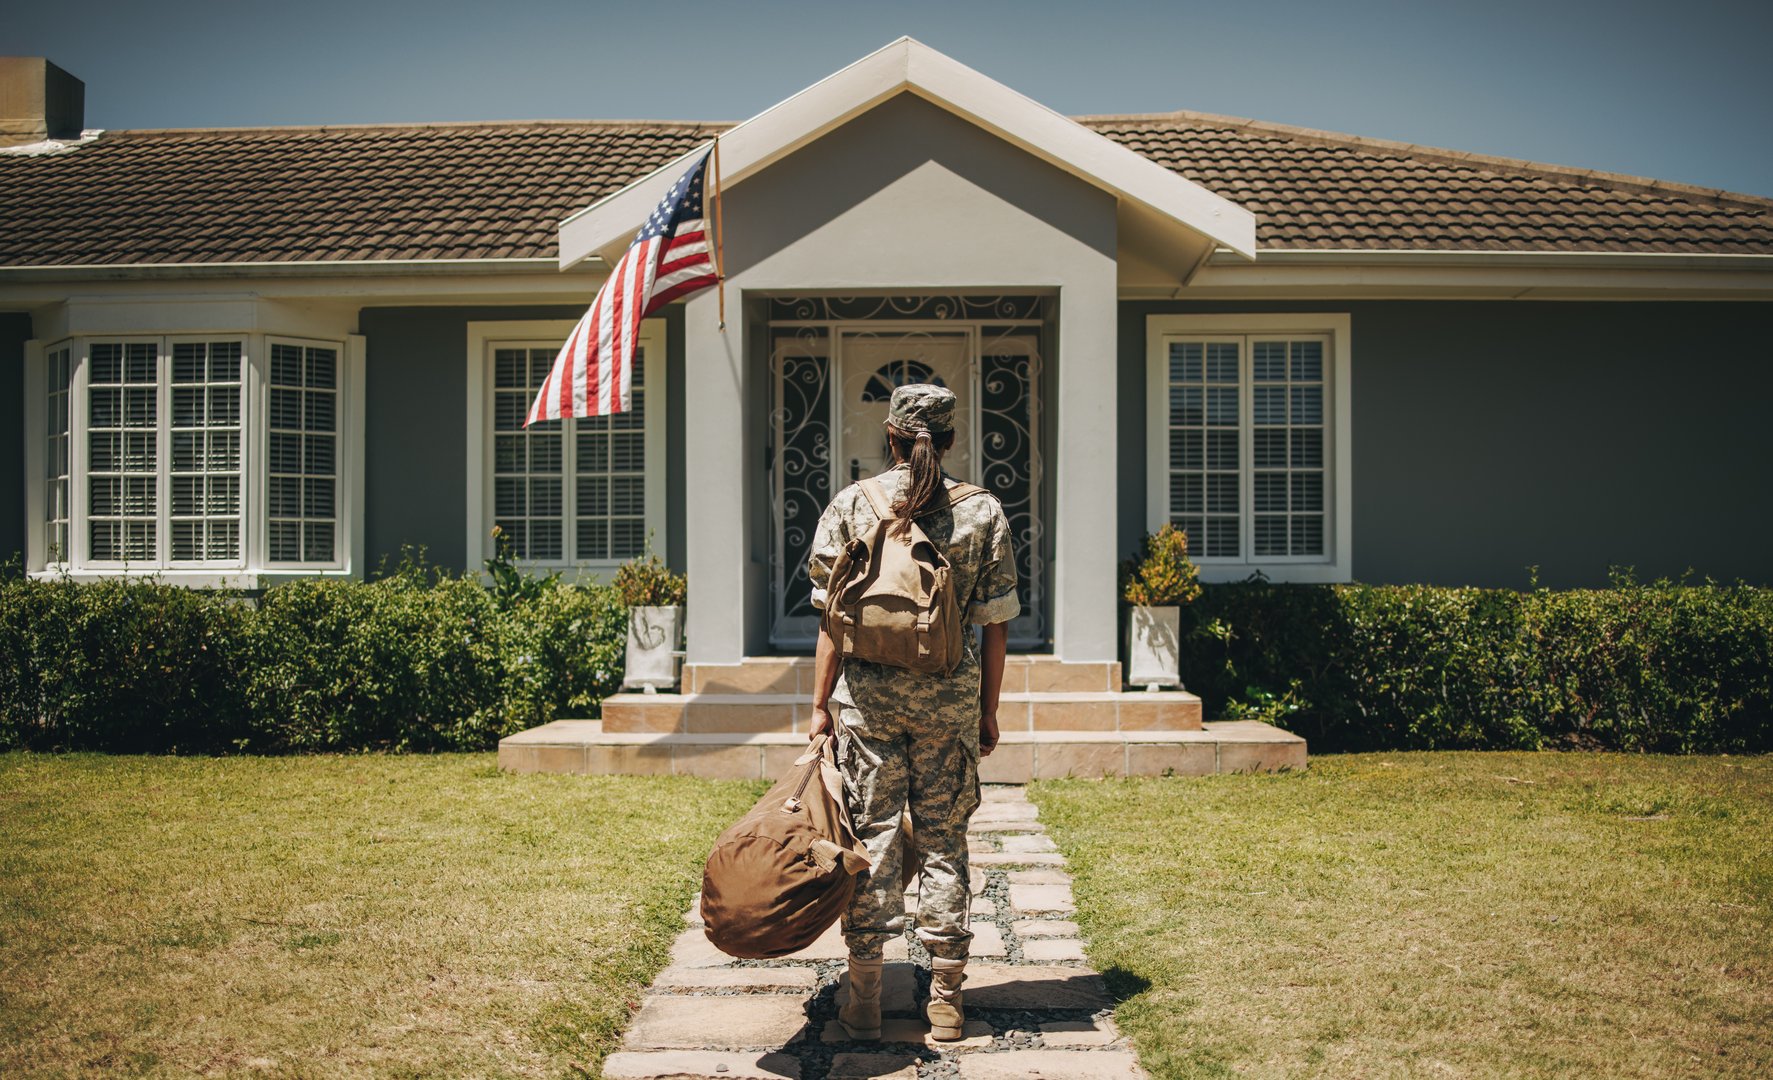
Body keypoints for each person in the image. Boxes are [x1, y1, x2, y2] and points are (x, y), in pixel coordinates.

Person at [806, 382, 1020, 1042]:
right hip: (947, 706)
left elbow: (830, 620)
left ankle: (864, 999)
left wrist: (819, 708)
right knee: (943, 845)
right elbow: (995, 625)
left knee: (867, 844)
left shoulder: (852, 504)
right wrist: (986, 711)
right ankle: (947, 1003)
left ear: (891, 438)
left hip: (867, 708)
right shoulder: (980, 512)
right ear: (950, 440)